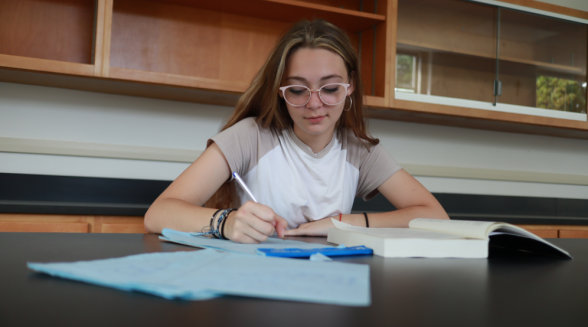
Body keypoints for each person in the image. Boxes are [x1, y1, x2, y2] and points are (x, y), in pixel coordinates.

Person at [144, 20, 449, 243]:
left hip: (327, 284)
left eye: (330, 88)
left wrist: (342, 223)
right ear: (280, 90)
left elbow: (435, 217)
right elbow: (158, 214)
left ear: (350, 86)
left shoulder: (360, 151)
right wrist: (225, 221)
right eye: (298, 90)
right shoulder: (250, 137)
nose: (314, 104)